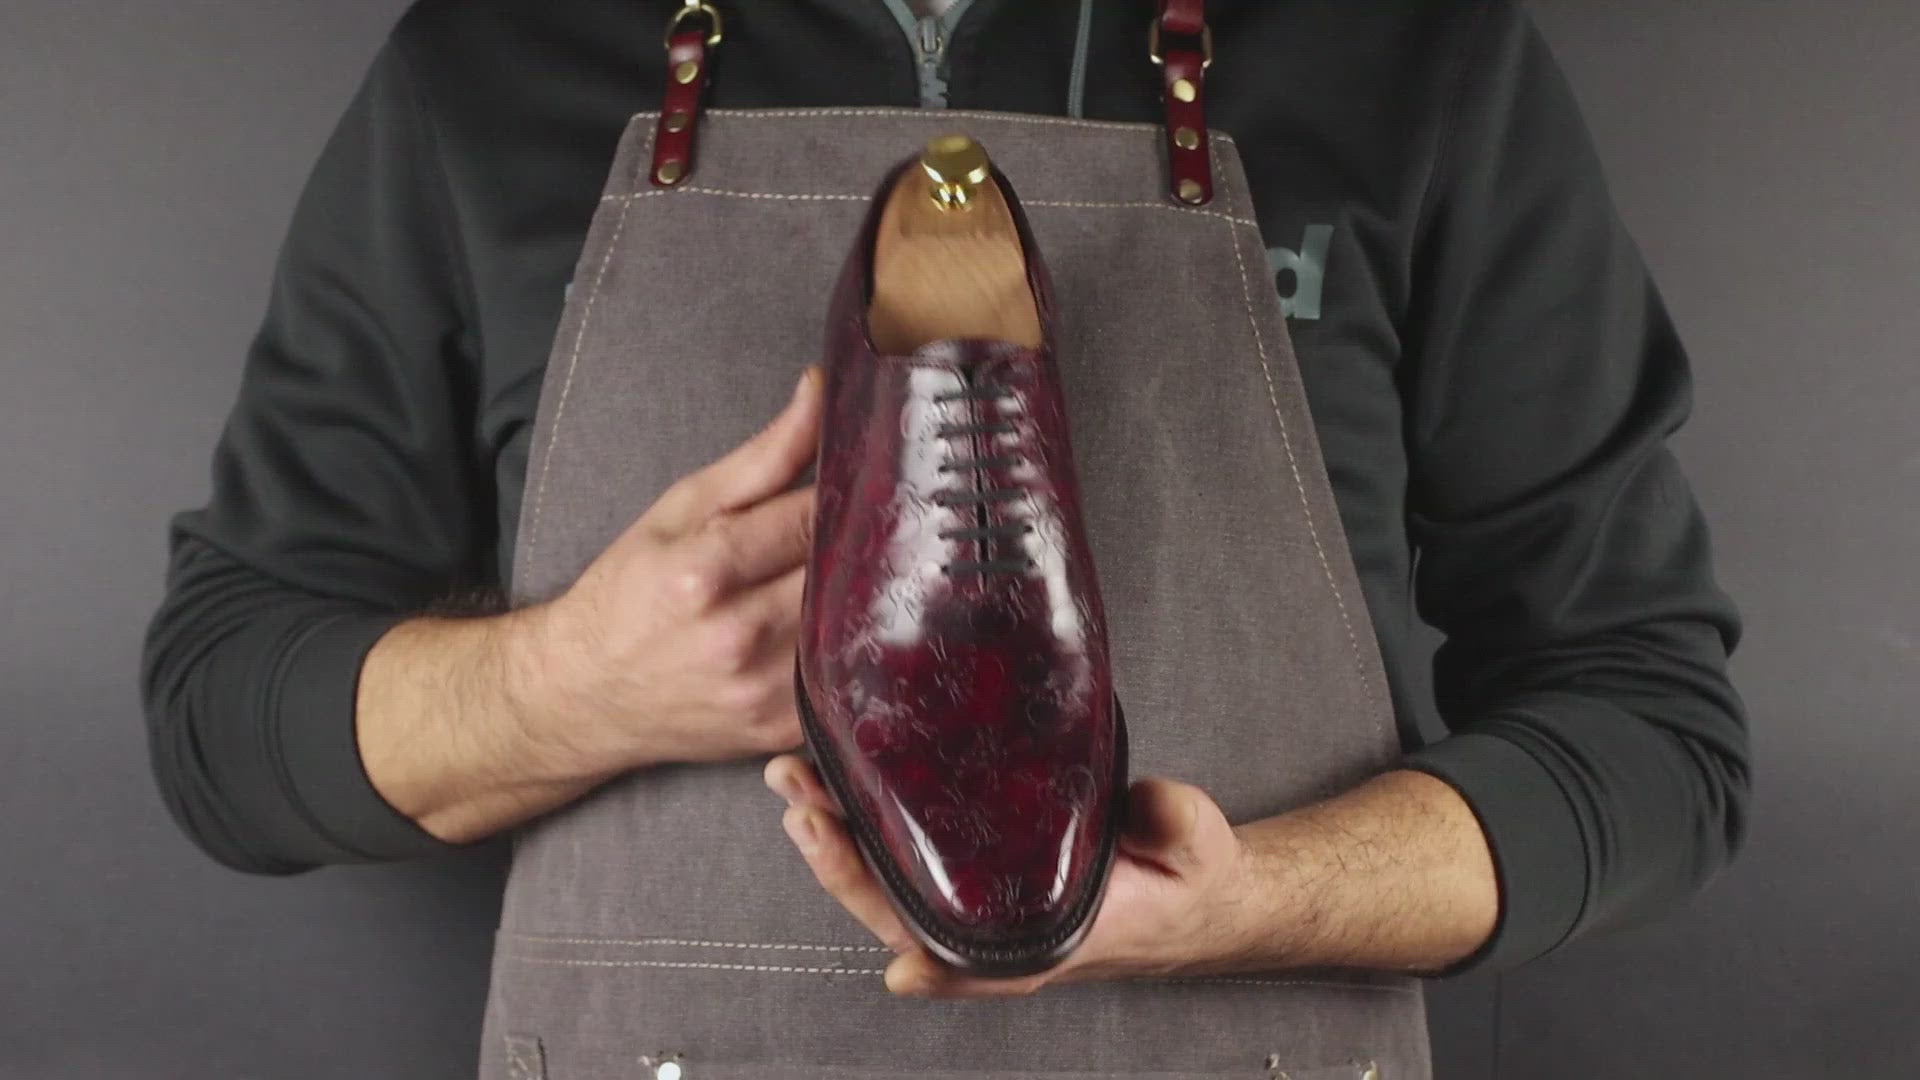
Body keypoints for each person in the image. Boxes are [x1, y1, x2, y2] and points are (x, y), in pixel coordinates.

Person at [142, 0, 1748, 1074]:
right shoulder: (492, 65)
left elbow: (1651, 731)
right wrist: (562, 690)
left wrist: (1259, 900)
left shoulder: (1413, 55)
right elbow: (224, 714)